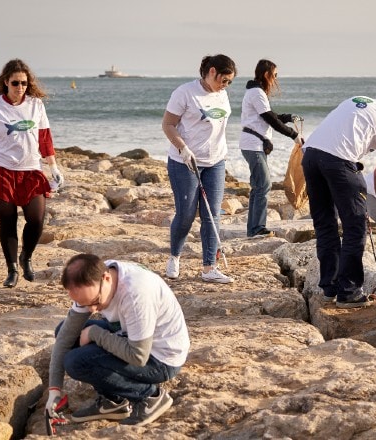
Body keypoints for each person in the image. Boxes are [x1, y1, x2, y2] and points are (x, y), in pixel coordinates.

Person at [302, 94, 376, 308]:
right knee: (355, 226)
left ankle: (329, 288)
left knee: (325, 224)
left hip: (310, 156)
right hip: (339, 161)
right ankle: (349, 292)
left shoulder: (360, 101)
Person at [45, 253, 190, 427]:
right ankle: (113, 402)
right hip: (130, 337)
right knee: (64, 331)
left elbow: (138, 356)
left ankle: (149, 397)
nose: (92, 309)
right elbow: (65, 338)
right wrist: (54, 390)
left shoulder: (135, 294)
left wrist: (96, 334)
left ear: (106, 278)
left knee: (76, 362)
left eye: (95, 302)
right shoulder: (92, 281)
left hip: (161, 358)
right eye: (84, 304)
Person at [0, 59, 64, 288]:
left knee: (36, 220)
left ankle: (26, 257)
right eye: (15, 83)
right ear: (6, 82)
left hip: (31, 170)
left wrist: (53, 166)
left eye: (24, 83)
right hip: (1, 170)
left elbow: (44, 137)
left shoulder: (36, 105)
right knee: (8, 221)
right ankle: (12, 269)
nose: (20, 87)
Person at [161, 54, 237, 283]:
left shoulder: (222, 95)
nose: (225, 86)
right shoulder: (185, 92)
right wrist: (183, 148)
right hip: (185, 162)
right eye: (224, 80)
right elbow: (168, 124)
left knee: (212, 215)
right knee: (185, 214)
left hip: (215, 162)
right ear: (211, 71)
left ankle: (209, 268)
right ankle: (174, 256)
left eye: (229, 83)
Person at [239, 59, 304, 237]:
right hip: (253, 144)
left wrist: (288, 116)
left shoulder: (256, 92)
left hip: (253, 143)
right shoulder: (257, 93)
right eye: (275, 75)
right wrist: (294, 135)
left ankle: (253, 228)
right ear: (267, 74)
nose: (276, 79)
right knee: (264, 185)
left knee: (258, 186)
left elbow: (269, 115)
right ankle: (257, 228)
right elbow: (270, 119)